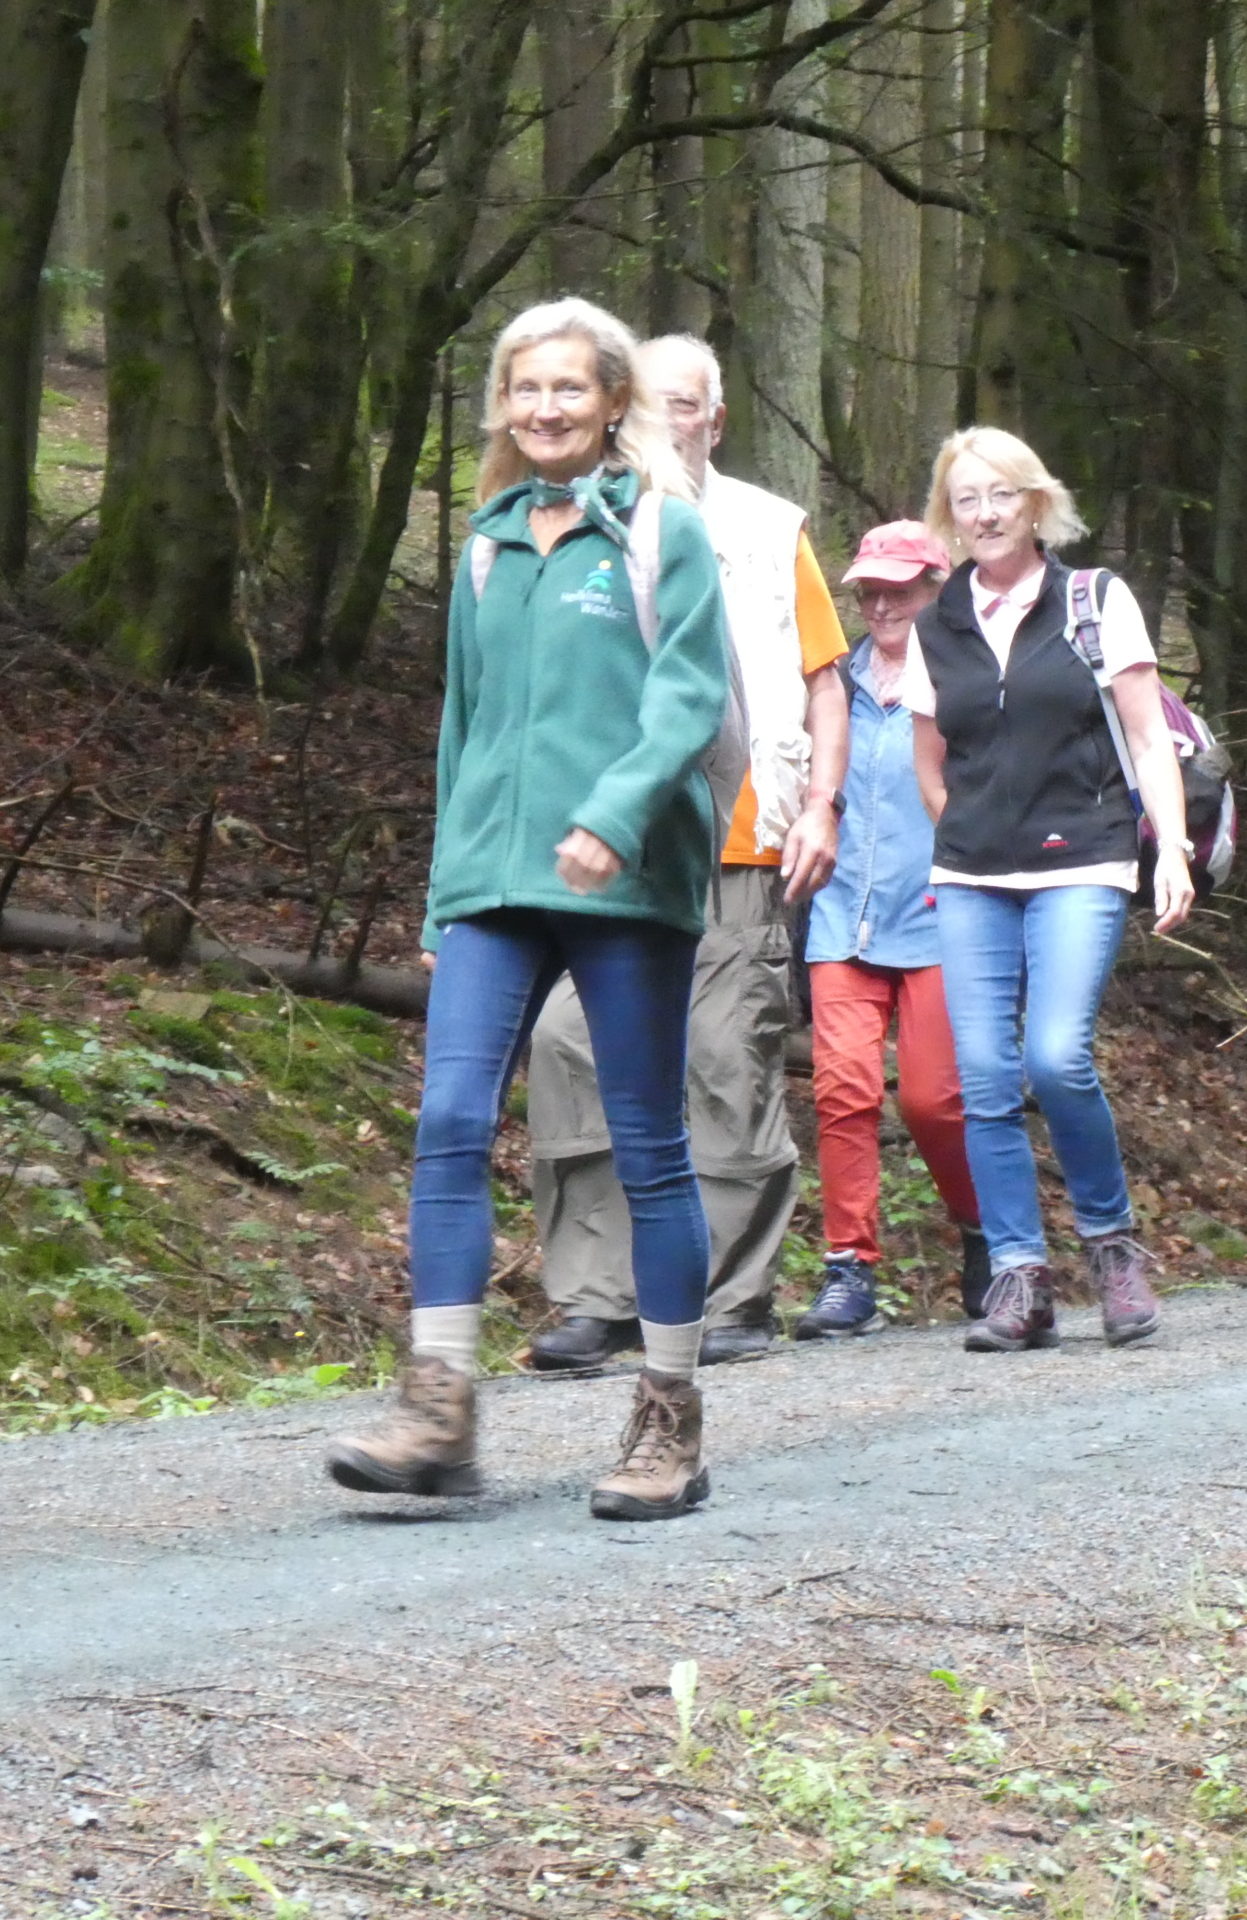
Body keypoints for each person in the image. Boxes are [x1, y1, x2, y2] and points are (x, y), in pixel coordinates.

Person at [324, 298, 730, 1519]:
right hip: (496, 883)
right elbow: (464, 724)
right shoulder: (489, 543)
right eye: (524, 389)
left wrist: (611, 817)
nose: (544, 408)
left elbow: (688, 700)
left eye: (569, 388)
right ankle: (438, 1409)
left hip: (628, 877)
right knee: (449, 1120)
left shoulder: (664, 533)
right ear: (503, 405)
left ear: (614, 401)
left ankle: (668, 1417)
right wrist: (447, 886)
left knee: (647, 1149)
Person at [520, 332, 850, 1374]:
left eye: (690, 407)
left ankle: (734, 1297)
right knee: (568, 1045)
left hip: (743, 830)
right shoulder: (587, 522)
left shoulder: (765, 527)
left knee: (722, 1060)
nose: (672, 425)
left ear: (717, 417)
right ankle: (597, 1295)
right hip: (618, 841)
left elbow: (824, 679)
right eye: (653, 407)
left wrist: (822, 808)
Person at [901, 427, 1196, 1352]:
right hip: (974, 873)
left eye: (1000, 496)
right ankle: (1020, 1277)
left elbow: (1149, 738)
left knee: (1056, 1056)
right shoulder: (934, 622)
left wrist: (1173, 849)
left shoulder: (1093, 600)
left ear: (1035, 503)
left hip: (1085, 859)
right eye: (966, 500)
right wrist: (972, 833)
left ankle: (1111, 1251)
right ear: (949, 517)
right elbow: (930, 762)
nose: (984, 515)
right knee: (982, 1077)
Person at [789, 521, 991, 1338]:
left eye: (899, 588)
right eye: (869, 589)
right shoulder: (832, 683)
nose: (880, 603)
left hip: (943, 914)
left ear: (936, 589)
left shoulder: (969, 680)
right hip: (842, 914)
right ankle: (850, 1273)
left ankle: (985, 1232)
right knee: (842, 1092)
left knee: (938, 1102)